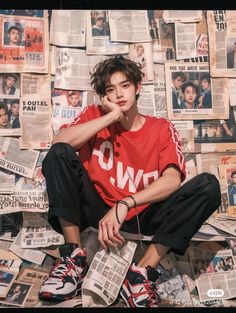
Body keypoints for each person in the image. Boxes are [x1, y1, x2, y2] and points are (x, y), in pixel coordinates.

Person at [38, 55, 221, 307]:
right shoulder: (94, 115)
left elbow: (172, 179)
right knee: (59, 152)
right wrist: (110, 118)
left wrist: (126, 203)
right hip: (96, 210)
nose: (119, 94)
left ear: (137, 87)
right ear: (104, 97)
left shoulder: (161, 127)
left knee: (209, 185)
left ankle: (140, 274)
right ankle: (73, 257)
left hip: (140, 214)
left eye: (124, 86)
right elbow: (60, 143)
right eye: (110, 90)